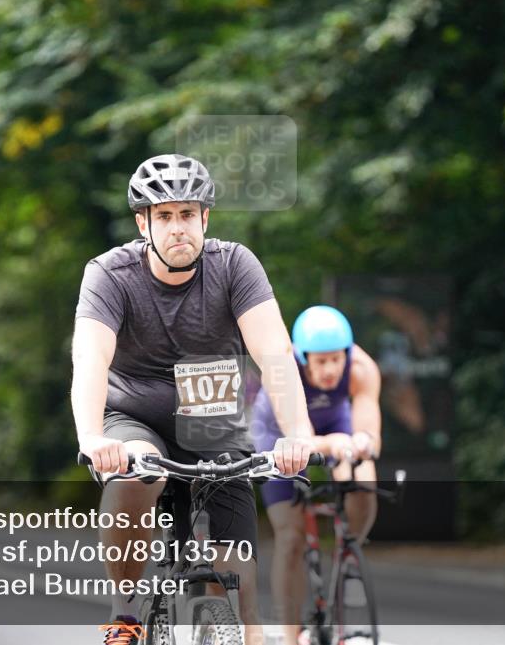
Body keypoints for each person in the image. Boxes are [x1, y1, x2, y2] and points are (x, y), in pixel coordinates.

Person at [71, 154, 317, 645]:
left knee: (242, 605)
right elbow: (91, 360)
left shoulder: (234, 265)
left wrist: (298, 434)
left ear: (205, 218)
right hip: (133, 418)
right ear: (143, 223)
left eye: (187, 214)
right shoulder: (110, 274)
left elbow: (275, 354)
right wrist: (93, 438)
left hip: (212, 423)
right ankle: (126, 616)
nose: (177, 228)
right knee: (139, 474)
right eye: (164, 216)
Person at [250, 305, 382, 645]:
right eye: (320, 362)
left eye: (337, 359)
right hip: (279, 434)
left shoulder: (363, 368)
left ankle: (350, 551)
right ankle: (292, 634)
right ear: (302, 357)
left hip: (333, 422)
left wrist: (362, 442)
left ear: (348, 354)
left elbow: (369, 429)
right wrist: (334, 442)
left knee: (363, 477)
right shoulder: (285, 370)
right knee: (290, 537)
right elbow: (301, 438)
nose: (330, 369)